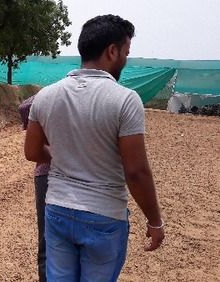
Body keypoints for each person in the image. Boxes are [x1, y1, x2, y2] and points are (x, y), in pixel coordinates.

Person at [24, 15, 165, 281]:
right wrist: (155, 220)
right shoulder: (125, 100)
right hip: (104, 217)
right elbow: (135, 172)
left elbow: (32, 153)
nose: (126, 58)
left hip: (57, 210)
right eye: (125, 52)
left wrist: (60, 156)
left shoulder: (45, 96)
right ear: (112, 51)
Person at [19, 95, 49, 282]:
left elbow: (25, 106)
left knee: (46, 241)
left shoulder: (50, 95)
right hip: (82, 175)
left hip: (46, 172)